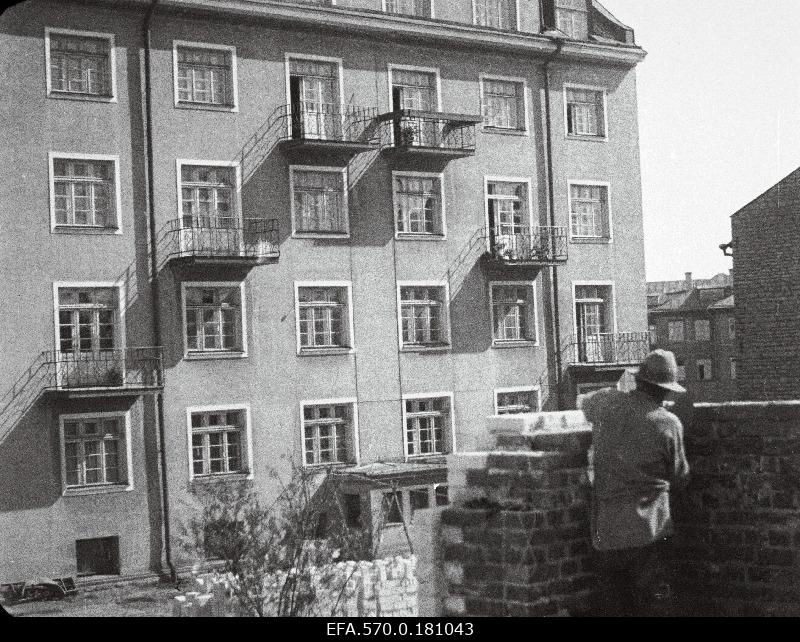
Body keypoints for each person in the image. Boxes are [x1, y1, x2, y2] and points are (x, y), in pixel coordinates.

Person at [580, 349, 690, 617]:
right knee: (654, 607)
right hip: (649, 532)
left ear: (639, 381)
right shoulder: (668, 423)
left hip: (607, 533)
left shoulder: (608, 403)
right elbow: (681, 478)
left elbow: (584, 402)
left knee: (616, 607)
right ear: (664, 391)